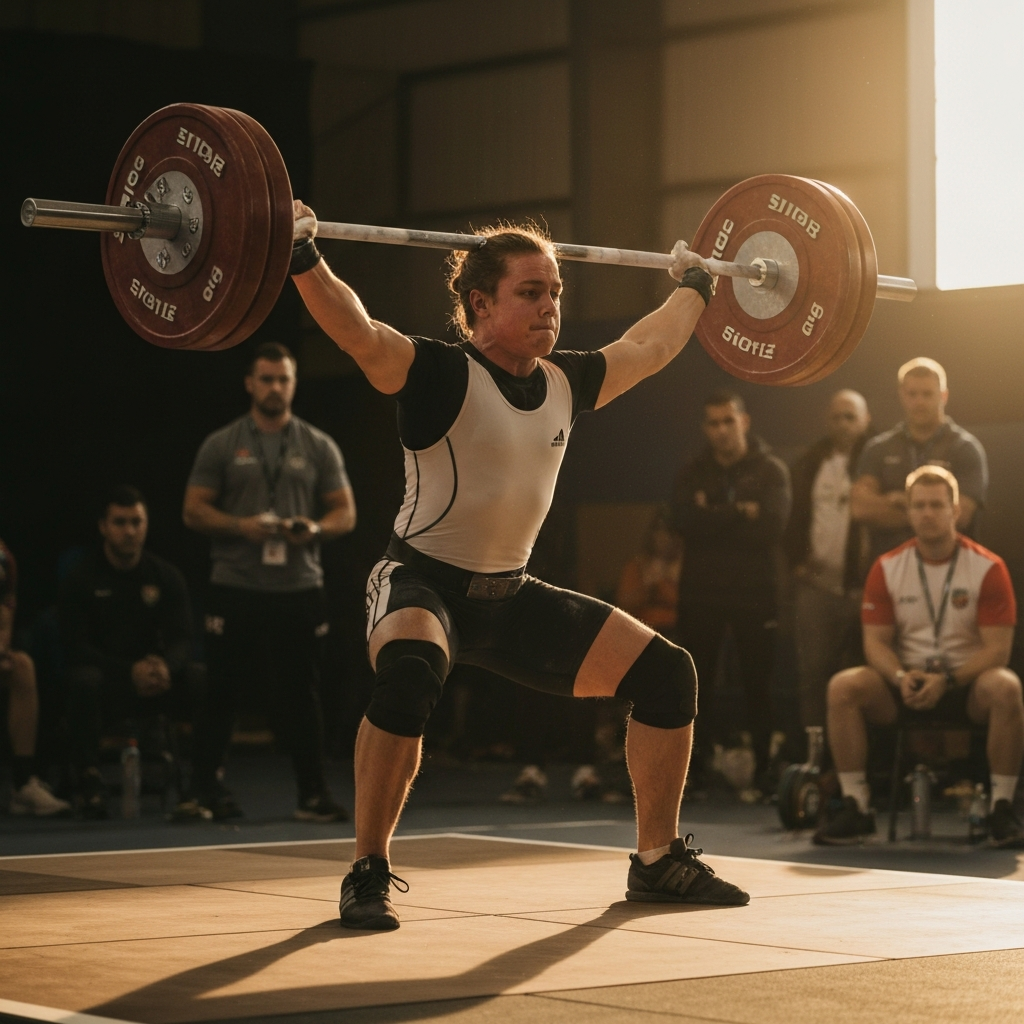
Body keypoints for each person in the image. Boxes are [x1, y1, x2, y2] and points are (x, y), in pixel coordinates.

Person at [288, 203, 750, 930]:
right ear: (480, 304)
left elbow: (649, 346)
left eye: (556, 291)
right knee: (410, 672)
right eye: (531, 292)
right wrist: (302, 255)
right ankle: (368, 869)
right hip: (420, 582)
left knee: (668, 674)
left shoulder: (566, 382)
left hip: (510, 598)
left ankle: (656, 860)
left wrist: (695, 285)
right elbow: (357, 332)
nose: (550, 306)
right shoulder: (437, 372)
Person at [182, 342, 356, 823]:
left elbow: (345, 512)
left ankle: (312, 795)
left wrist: (315, 529)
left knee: (303, 694)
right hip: (235, 584)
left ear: (294, 384)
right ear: (250, 383)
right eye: (266, 379)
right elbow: (192, 509)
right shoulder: (222, 442)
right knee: (222, 691)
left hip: (297, 587)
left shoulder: (317, 445)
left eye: (283, 379)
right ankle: (203, 792)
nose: (274, 387)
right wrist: (241, 526)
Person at [815, 466, 1023, 847]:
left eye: (937, 505)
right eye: (919, 506)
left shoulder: (988, 567)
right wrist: (899, 676)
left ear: (955, 511)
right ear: (908, 512)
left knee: (1007, 686)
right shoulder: (887, 567)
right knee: (843, 686)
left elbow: (998, 649)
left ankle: (1002, 809)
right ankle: (856, 806)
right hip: (904, 686)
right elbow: (875, 643)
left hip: (966, 686)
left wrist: (950, 679)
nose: (928, 513)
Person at [670, 392, 791, 791]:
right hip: (700, 594)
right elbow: (683, 522)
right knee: (695, 683)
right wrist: (741, 511)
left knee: (758, 683)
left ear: (745, 421)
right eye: (713, 423)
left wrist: (712, 514)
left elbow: (771, 528)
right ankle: (696, 769)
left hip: (755, 594)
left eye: (728, 421)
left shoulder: (771, 470)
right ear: (705, 428)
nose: (721, 431)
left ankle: (764, 769)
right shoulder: (691, 471)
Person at [60, 487, 197, 818]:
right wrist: (127, 671)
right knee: (83, 680)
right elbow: (74, 646)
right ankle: (89, 779)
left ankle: (202, 782)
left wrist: (166, 666)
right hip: (108, 681)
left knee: (201, 678)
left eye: (137, 522)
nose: (130, 531)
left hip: (154, 682)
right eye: (120, 522)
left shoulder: (165, 576)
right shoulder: (81, 577)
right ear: (103, 526)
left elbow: (183, 638)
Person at [784, 390, 872, 733]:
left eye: (851, 416)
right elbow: (790, 519)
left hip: (863, 587)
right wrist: (796, 563)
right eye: (837, 417)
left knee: (863, 675)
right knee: (813, 675)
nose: (844, 424)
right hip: (816, 587)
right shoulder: (809, 462)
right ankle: (815, 759)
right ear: (827, 421)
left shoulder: (876, 460)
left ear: (865, 420)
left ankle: (860, 761)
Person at [852, 358, 987, 569]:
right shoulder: (878, 448)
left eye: (927, 394)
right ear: (901, 395)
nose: (919, 402)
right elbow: (860, 508)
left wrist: (897, 501)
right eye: (912, 394)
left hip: (952, 569)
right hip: (889, 569)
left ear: (944, 396)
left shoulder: (965, 448)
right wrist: (935, 513)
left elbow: (962, 515)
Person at [1, 538, 70, 816]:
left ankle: (22, 785)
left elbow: (4, 612)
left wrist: (2, 650)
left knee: (22, 667)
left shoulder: (3, 558)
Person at [615, 507, 683, 635]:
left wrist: (666, 580)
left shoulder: (683, 568)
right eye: (659, 530)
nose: (664, 537)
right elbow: (623, 604)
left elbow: (688, 606)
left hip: (676, 634)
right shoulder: (637, 565)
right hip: (641, 633)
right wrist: (650, 588)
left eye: (670, 532)